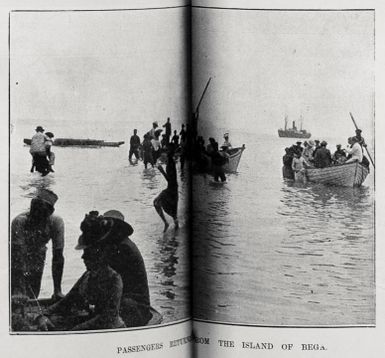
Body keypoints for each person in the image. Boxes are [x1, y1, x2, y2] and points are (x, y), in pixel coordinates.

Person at [36, 237, 125, 331]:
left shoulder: (114, 279)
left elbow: (108, 317)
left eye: (88, 253)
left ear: (99, 256)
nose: (83, 257)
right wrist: (43, 315)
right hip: (90, 323)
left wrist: (76, 329)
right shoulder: (87, 276)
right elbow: (67, 300)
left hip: (111, 329)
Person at [11, 189, 64, 300]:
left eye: (41, 213)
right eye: (34, 212)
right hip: (18, 254)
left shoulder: (56, 222)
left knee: (33, 293)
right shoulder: (20, 221)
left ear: (50, 213)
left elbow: (58, 256)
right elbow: (17, 255)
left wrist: (57, 290)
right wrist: (18, 289)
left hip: (38, 253)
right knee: (17, 294)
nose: (36, 217)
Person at [154, 144, 179, 232]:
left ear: (167, 154)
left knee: (156, 202)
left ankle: (166, 223)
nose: (161, 156)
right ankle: (175, 229)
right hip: (173, 189)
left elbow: (170, 180)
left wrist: (162, 171)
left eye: (162, 154)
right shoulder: (170, 162)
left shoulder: (170, 164)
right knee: (172, 212)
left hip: (171, 189)